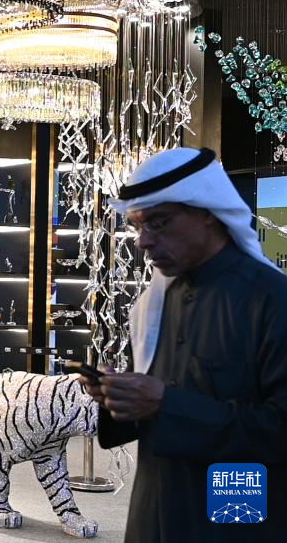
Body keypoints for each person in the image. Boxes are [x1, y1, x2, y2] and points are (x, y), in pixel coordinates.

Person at [80, 147, 287, 542]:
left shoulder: (271, 299)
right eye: (138, 227)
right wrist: (119, 396)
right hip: (153, 511)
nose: (143, 241)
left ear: (207, 212)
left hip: (234, 517)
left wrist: (165, 404)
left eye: (159, 223)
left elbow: (279, 427)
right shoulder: (155, 303)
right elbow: (154, 403)